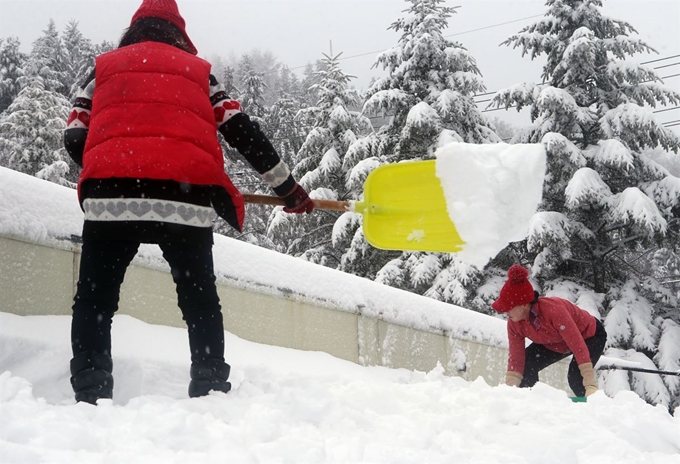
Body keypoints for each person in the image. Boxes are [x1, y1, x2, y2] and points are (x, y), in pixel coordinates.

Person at [63, 0, 313, 405]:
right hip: (185, 199)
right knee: (200, 302)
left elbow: (75, 134)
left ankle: (90, 392)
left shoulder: (103, 68)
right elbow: (241, 131)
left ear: (133, 30)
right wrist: (289, 190)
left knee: (95, 299)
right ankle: (211, 389)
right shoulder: (199, 73)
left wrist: (110, 165)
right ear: (179, 33)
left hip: (110, 199)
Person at [491, 264, 607, 398]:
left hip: (589, 336)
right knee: (526, 364)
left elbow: (577, 345)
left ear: (523, 305)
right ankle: (528, 403)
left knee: (576, 378)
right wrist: (510, 391)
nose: (505, 312)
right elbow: (516, 359)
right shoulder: (514, 323)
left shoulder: (554, 311)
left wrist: (590, 384)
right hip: (555, 342)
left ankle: (593, 407)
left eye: (508, 307)